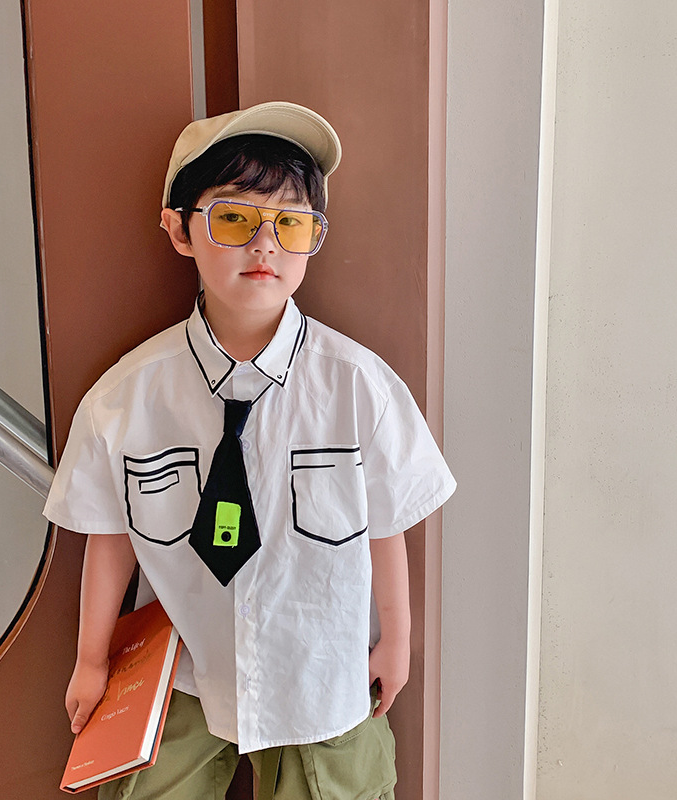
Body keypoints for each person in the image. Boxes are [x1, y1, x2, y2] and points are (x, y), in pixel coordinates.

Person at [43, 101, 456, 800]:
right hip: (185, 667)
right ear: (180, 230)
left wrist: (398, 639)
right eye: (234, 219)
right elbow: (110, 536)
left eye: (290, 223)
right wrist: (91, 659)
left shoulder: (358, 385)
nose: (265, 246)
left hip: (321, 668)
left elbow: (386, 524)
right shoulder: (127, 398)